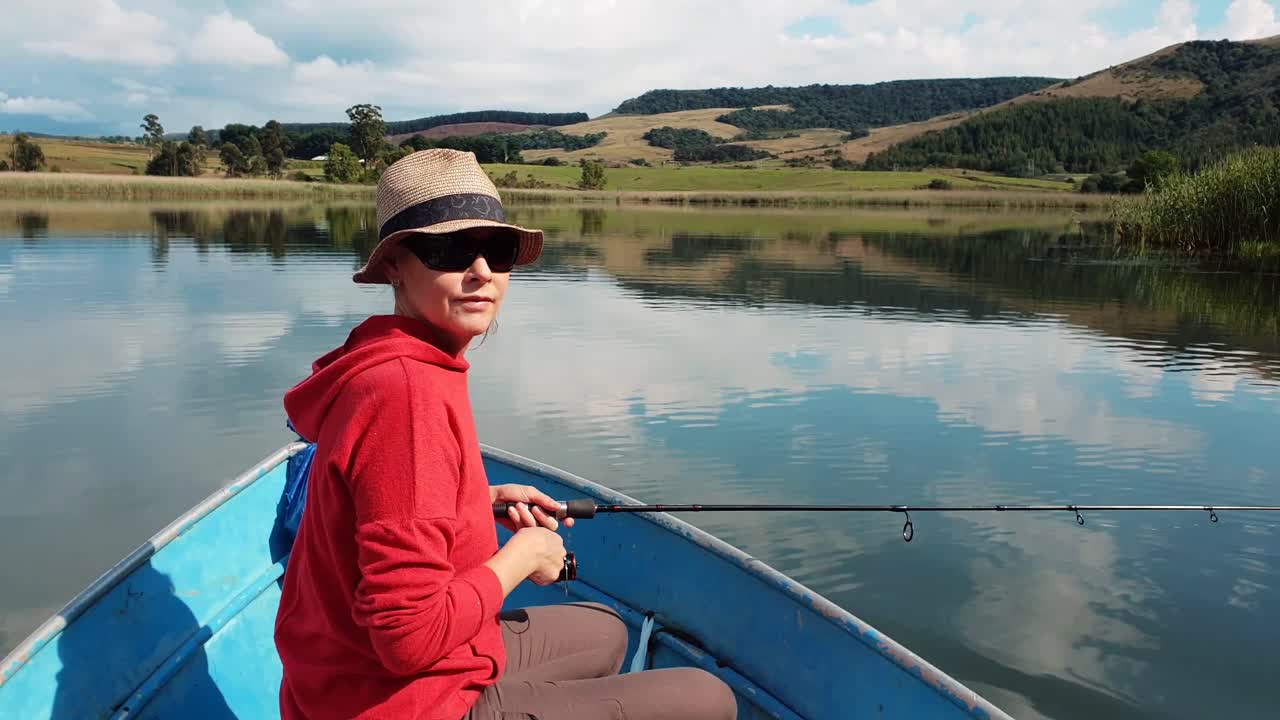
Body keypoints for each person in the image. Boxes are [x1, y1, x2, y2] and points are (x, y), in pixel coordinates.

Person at [274, 149, 738, 720]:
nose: (482, 272)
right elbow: (406, 639)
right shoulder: (406, 393)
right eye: (449, 250)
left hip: (346, 682)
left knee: (606, 631)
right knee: (707, 699)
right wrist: (524, 555)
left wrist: (477, 503)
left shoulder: (393, 356)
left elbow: (387, 501)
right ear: (395, 264)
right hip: (395, 705)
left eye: (498, 250)